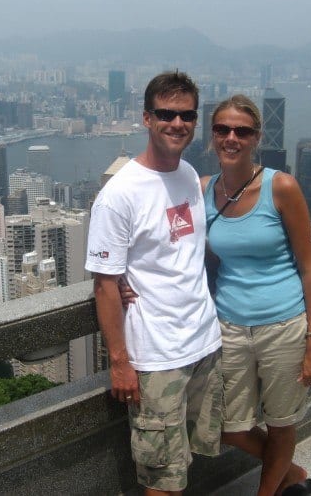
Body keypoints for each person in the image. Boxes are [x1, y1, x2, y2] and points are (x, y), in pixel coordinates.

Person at [85, 71, 223, 496]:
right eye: (166, 114)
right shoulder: (120, 194)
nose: (176, 124)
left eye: (186, 116)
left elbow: (183, 252)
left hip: (203, 341)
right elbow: (105, 285)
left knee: (187, 460)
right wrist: (120, 362)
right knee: (161, 477)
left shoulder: (188, 176)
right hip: (156, 356)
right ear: (146, 118)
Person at [202, 94, 311, 496]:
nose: (231, 137)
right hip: (230, 326)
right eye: (223, 129)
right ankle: (290, 473)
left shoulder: (281, 187)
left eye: (242, 131)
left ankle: (267, 492)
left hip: (284, 325)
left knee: (281, 420)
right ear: (212, 135)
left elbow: (309, 267)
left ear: (257, 137)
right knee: (231, 427)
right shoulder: (204, 191)